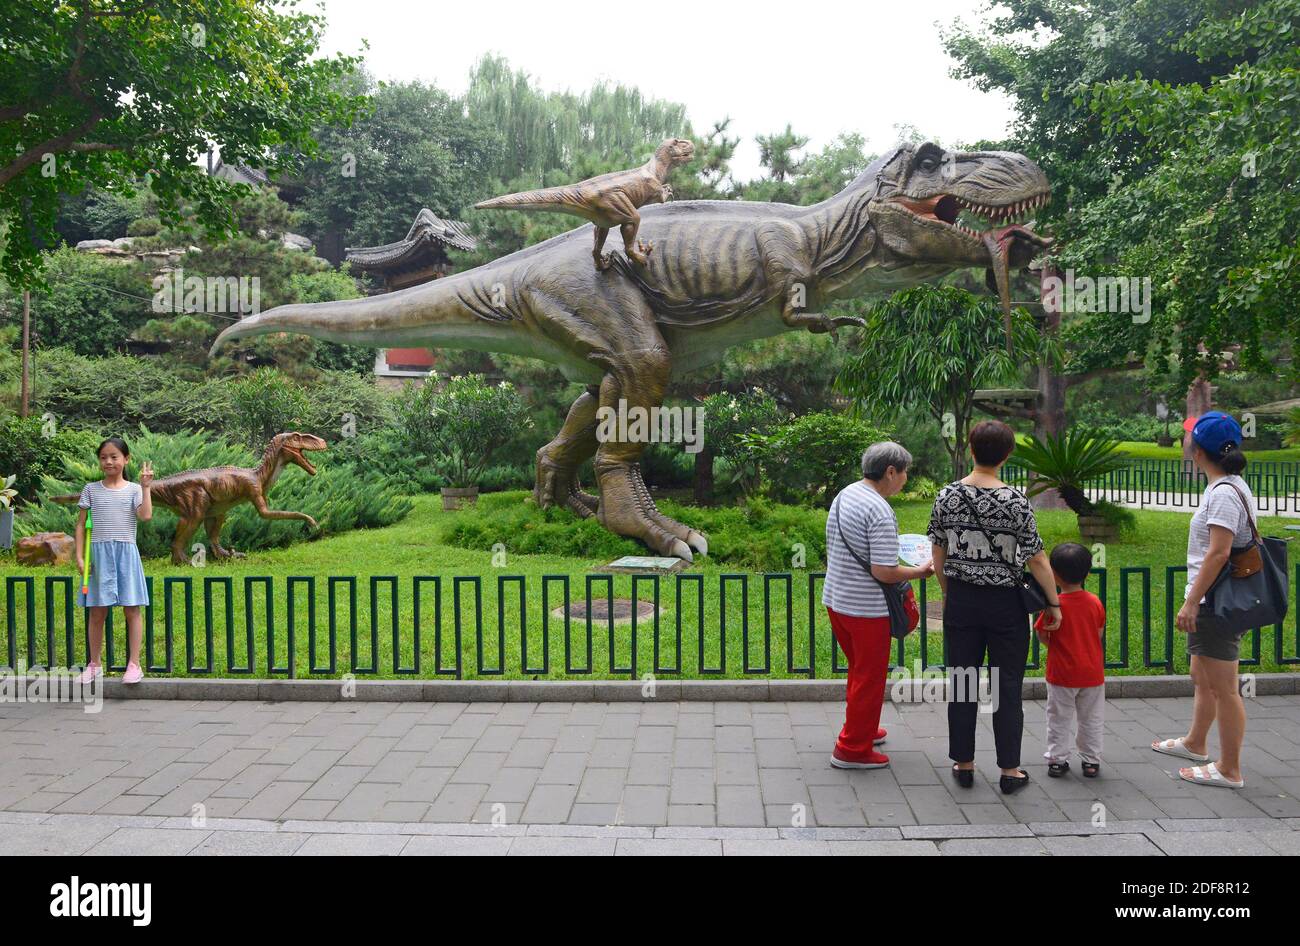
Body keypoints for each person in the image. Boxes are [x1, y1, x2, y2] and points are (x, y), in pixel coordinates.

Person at [927, 420, 1061, 794]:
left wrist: (949, 590)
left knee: (963, 683)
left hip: (962, 601)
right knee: (1006, 687)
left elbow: (938, 554)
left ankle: (964, 764)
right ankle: (1009, 771)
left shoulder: (947, 496)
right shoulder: (1016, 501)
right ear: (1007, 454)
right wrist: (1053, 603)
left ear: (970, 449)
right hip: (1005, 606)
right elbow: (1036, 560)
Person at [1152, 411, 1254, 789]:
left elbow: (1219, 553)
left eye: (1188, 436)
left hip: (1215, 602)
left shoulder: (1226, 493)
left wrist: (1192, 601)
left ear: (1197, 452)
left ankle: (1230, 769)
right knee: (1202, 676)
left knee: (1225, 688)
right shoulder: (1226, 485)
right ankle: (1196, 743)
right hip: (1210, 598)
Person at [822, 442, 933, 770]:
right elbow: (884, 571)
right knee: (869, 677)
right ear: (890, 472)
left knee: (859, 672)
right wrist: (920, 571)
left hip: (838, 601)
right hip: (866, 610)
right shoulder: (880, 510)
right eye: (904, 472)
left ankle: (861, 728)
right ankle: (852, 749)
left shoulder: (847, 494)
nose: (906, 478)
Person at [74, 437, 154, 685]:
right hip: (98, 555)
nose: (108, 461)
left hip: (126, 554)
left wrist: (146, 487)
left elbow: (146, 515)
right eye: (103, 457)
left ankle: (134, 665)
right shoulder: (91, 489)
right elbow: (80, 526)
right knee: (97, 611)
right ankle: (94, 664)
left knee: (132, 609)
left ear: (126, 459)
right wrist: (79, 556)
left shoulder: (133, 489)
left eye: (114, 456)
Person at [1035, 543, 1106, 778]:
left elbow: (1042, 634)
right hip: (1092, 674)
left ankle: (1057, 760)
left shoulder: (1053, 607)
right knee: (1091, 719)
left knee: (1058, 718)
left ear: (1053, 574)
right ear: (1087, 573)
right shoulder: (1095, 602)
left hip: (1061, 674)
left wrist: (1057, 647)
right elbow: (1098, 633)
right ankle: (1091, 760)